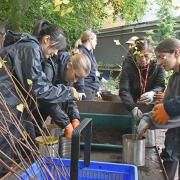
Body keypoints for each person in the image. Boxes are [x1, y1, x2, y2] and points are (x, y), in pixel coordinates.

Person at [0, 21, 78, 176]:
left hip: (10, 105)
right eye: (55, 48)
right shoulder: (31, 49)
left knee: (14, 149)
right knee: (4, 153)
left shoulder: (30, 48)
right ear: (47, 40)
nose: (55, 53)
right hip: (5, 106)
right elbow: (40, 89)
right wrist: (68, 92)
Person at [138, 38, 180, 180]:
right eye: (158, 58)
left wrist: (165, 109)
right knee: (169, 161)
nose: (160, 63)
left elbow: (170, 108)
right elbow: (166, 102)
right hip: (174, 138)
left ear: (176, 53)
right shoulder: (175, 77)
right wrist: (148, 116)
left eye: (162, 57)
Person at [39, 50, 91, 139]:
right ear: (69, 65)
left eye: (79, 79)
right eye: (76, 76)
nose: (75, 81)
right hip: (32, 107)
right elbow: (47, 98)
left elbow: (69, 98)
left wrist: (75, 118)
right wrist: (66, 124)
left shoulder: (68, 73)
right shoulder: (50, 66)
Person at [119, 37, 165, 121]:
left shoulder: (157, 67)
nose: (143, 59)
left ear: (151, 54)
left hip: (151, 105)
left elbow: (160, 85)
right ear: (134, 54)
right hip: (133, 103)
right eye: (139, 56)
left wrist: (153, 92)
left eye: (146, 56)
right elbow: (124, 89)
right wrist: (132, 107)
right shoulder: (128, 67)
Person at [73, 30, 100, 100]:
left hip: (91, 89)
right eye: (95, 40)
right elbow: (79, 72)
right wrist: (80, 90)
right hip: (85, 89)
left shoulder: (91, 54)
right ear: (90, 39)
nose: (96, 43)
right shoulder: (81, 52)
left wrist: (96, 89)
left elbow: (94, 73)